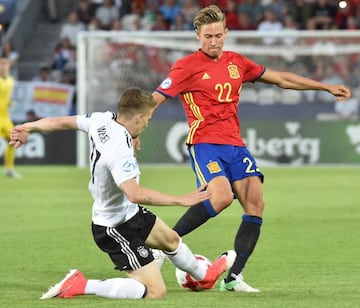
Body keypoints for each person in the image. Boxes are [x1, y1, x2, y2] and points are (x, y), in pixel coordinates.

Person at [152, 5, 351, 293]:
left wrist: (323, 87)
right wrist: (134, 130)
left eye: (218, 35)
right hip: (205, 142)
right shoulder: (186, 66)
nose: (214, 41)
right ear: (197, 35)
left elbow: (282, 79)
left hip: (235, 144)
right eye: (208, 36)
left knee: (256, 203)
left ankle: (233, 278)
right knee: (220, 197)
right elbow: (156, 99)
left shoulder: (237, 62)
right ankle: (163, 245)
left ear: (226, 33)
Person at [9, 87, 231, 300]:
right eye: (147, 120)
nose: (146, 125)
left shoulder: (102, 119)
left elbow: (59, 122)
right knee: (155, 291)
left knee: (171, 240)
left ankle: (205, 277)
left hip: (129, 213)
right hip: (114, 227)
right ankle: (81, 284)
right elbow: (134, 193)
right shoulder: (119, 151)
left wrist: (27, 127)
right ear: (137, 118)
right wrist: (181, 200)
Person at [0, 57, 21, 178]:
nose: (3, 66)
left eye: (5, 63)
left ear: (9, 66)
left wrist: (10, 103)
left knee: (14, 140)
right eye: (1, 63)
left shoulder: (11, 81)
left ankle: (9, 169)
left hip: (5, 117)